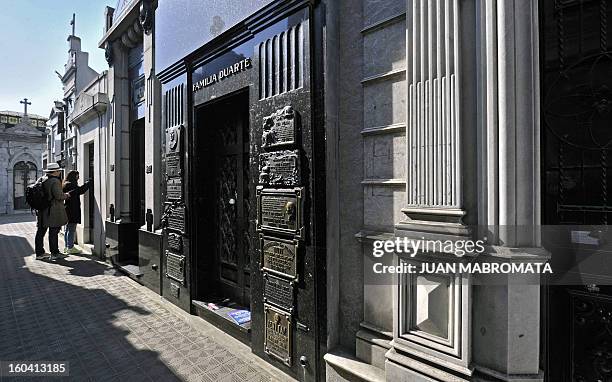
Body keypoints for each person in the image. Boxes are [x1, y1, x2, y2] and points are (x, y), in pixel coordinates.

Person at [34, 163, 70, 260]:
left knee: (40, 232)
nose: (59, 172)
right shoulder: (54, 181)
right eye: (58, 171)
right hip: (53, 210)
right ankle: (54, 253)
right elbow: (59, 196)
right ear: (55, 172)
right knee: (54, 231)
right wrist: (66, 195)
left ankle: (39, 253)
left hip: (42, 210)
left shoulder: (41, 179)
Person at [62, 170, 92, 254]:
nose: (78, 178)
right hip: (72, 209)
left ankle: (67, 247)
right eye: (77, 176)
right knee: (71, 229)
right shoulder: (71, 184)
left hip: (68, 209)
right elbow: (80, 190)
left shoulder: (65, 184)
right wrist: (88, 183)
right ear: (73, 176)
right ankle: (70, 247)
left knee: (67, 229)